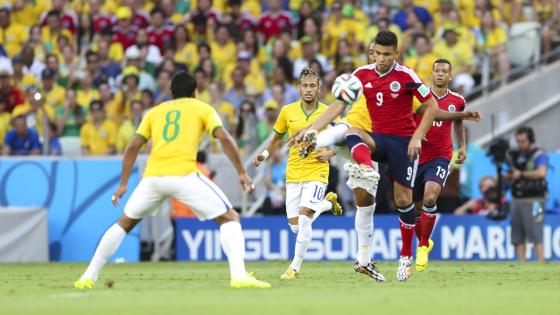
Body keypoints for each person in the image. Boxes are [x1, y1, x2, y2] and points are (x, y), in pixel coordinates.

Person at [299, 45, 480, 282]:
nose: (378, 57)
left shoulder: (408, 85)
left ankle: (413, 249)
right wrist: (321, 138)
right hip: (367, 145)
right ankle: (365, 258)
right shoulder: (360, 81)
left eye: (384, 53)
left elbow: (431, 112)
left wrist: (460, 118)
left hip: (409, 148)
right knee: (369, 193)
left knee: (411, 201)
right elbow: (339, 109)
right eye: (375, 53)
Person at [74, 71, 270, 289]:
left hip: (153, 178)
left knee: (124, 223)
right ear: (195, 92)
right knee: (230, 217)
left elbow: (132, 147)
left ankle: (88, 276)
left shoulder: (155, 112)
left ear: (171, 92)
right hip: (184, 175)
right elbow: (224, 137)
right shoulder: (203, 108)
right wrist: (242, 172)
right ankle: (239, 276)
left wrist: (123, 184)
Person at [252, 68, 342, 280]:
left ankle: (294, 268)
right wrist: (263, 156)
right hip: (293, 172)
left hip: (317, 170)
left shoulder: (328, 111)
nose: (309, 90)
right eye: (305, 86)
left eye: (313, 86)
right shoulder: (287, 111)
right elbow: (275, 140)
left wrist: (330, 152)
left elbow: (344, 136)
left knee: (304, 220)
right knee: (295, 227)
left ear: (319, 89)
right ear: (299, 88)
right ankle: (328, 204)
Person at [412, 59, 477, 272]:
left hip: (440, 155)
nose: (440, 74)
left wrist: (463, 147)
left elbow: (458, 122)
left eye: (444, 71)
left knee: (431, 197)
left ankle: (422, 246)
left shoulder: (457, 100)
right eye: (437, 71)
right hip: (415, 156)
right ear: (431, 74)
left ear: (450, 76)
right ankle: (424, 239)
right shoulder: (419, 97)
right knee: (412, 206)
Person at [506, 127, 548, 262]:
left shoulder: (539, 154)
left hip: (535, 199)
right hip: (517, 198)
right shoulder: (515, 155)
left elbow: (541, 173)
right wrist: (509, 176)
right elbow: (511, 175)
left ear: (531, 140)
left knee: (536, 232)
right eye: (518, 141)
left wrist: (521, 174)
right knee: (517, 234)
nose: (520, 145)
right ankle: (522, 262)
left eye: (523, 141)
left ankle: (540, 261)